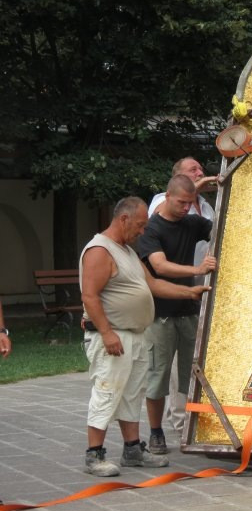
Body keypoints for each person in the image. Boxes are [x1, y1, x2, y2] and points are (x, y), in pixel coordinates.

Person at [80, 196, 210, 476]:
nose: (142, 231)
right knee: (107, 392)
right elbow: (90, 296)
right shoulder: (100, 250)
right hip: (113, 336)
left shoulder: (127, 251)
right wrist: (106, 333)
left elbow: (152, 284)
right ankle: (94, 454)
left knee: (132, 395)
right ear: (123, 219)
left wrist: (189, 292)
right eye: (139, 225)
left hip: (135, 335)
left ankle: (132, 449)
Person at [138, 175, 216, 454]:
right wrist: (198, 270)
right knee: (158, 377)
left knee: (193, 375)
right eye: (181, 202)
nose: (185, 208)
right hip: (159, 315)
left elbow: (224, 228)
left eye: (190, 203)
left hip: (189, 311)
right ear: (167, 197)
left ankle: (196, 428)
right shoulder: (151, 229)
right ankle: (156, 432)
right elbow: (159, 267)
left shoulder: (192, 223)